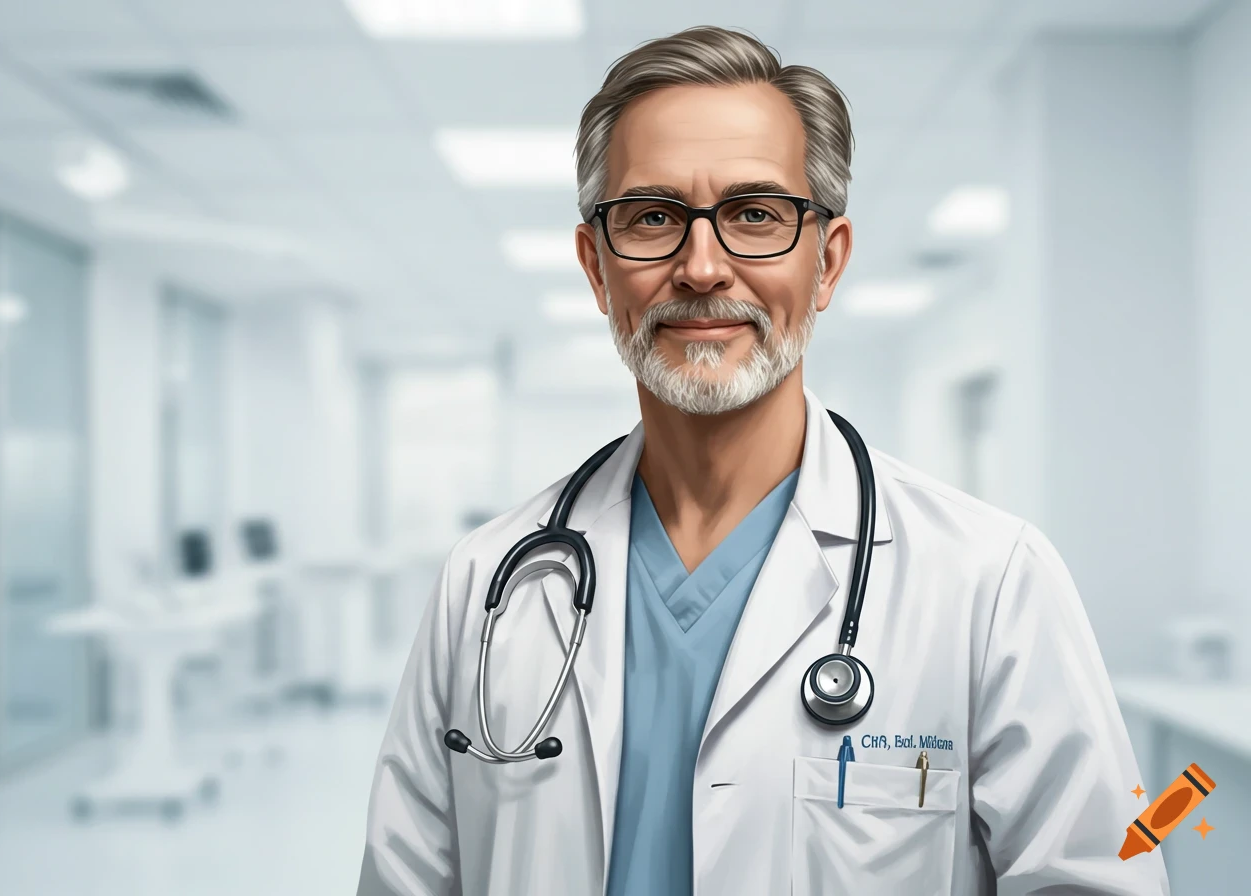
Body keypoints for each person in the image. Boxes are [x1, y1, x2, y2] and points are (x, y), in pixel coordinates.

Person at [357, 26, 1168, 896]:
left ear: (828, 262)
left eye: (756, 215)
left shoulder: (989, 581)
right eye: (653, 218)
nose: (702, 267)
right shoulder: (487, 584)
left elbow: (1101, 877)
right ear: (597, 268)